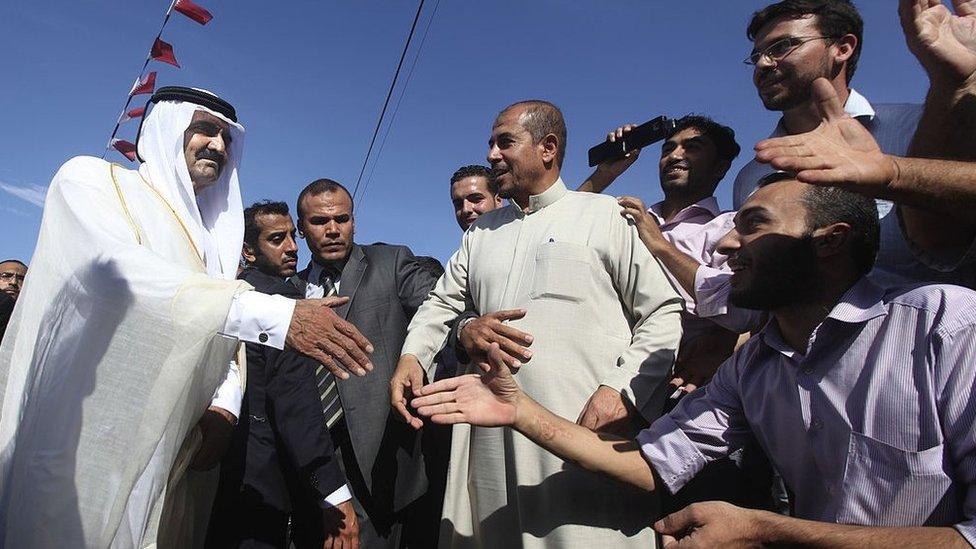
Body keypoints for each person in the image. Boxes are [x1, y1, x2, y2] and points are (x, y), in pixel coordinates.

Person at [414, 173, 976, 548]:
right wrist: (520, 412)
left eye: (753, 225)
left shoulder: (945, 327)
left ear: (829, 242)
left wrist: (765, 529)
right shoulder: (753, 366)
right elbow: (651, 464)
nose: (727, 243)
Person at [0, 87, 372, 548]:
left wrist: (224, 405)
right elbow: (124, 278)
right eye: (203, 129)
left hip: (181, 454)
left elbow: (215, 334)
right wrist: (277, 316)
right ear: (164, 130)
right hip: (89, 438)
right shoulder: (93, 182)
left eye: (225, 136)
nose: (217, 143)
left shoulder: (209, 238)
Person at [392, 100, 683, 548]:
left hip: (581, 435)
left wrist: (623, 391)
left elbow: (664, 311)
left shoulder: (603, 216)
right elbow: (439, 305)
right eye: (490, 143)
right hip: (488, 441)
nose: (492, 154)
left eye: (504, 142)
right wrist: (414, 354)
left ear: (547, 148)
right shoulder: (481, 234)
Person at [726, 0, 976, 291]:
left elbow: (946, 239)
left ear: (842, 48)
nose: (763, 64)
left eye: (782, 46)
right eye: (757, 55)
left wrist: (897, 175)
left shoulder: (921, 126)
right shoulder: (752, 177)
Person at [290, 179, 441, 548]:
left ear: (355, 222)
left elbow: (438, 304)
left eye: (341, 219)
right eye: (319, 222)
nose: (332, 230)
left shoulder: (390, 263)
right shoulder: (289, 293)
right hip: (309, 463)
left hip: (379, 464)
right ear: (301, 228)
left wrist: (468, 324)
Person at [207, 200, 351, 548]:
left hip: (219, 484)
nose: (292, 248)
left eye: (292, 236)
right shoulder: (281, 306)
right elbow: (297, 411)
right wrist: (333, 494)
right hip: (262, 490)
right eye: (276, 239)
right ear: (248, 251)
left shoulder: (228, 296)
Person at [579, 115, 744, 392]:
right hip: (601, 372)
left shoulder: (731, 229)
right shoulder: (628, 215)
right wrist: (606, 173)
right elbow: (563, 224)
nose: (675, 156)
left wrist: (660, 246)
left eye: (692, 147)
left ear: (721, 167)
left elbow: (738, 312)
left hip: (683, 387)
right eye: (668, 149)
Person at [450, 164, 502, 231]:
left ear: (498, 201)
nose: (466, 209)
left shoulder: (518, 236)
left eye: (476, 200)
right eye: (458, 204)